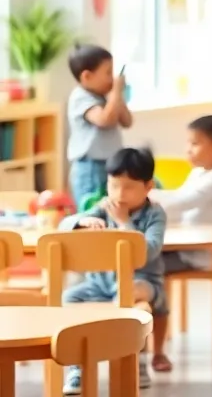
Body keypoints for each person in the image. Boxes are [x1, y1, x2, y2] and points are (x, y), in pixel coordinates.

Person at [59, 146, 165, 392]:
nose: (119, 193)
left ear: (148, 187)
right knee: (69, 297)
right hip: (100, 283)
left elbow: (147, 251)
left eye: (128, 187)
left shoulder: (155, 214)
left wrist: (122, 222)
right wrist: (81, 221)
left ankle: (136, 362)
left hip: (143, 281)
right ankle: (77, 367)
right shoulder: (104, 206)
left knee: (130, 293)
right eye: (114, 185)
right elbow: (64, 224)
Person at [148, 114, 212, 373]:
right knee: (146, 260)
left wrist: (146, 197)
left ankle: (151, 337)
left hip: (202, 254)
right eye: (188, 143)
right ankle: (148, 334)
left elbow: (183, 203)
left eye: (195, 143)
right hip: (185, 247)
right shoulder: (198, 173)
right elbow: (179, 198)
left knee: (149, 266)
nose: (188, 149)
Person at [66, 44, 133, 208]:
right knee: (91, 209)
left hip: (110, 164)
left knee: (109, 209)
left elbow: (127, 121)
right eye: (108, 73)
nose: (112, 79)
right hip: (90, 167)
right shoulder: (81, 97)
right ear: (87, 77)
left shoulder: (105, 97)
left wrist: (117, 96)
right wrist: (115, 92)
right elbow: (105, 120)